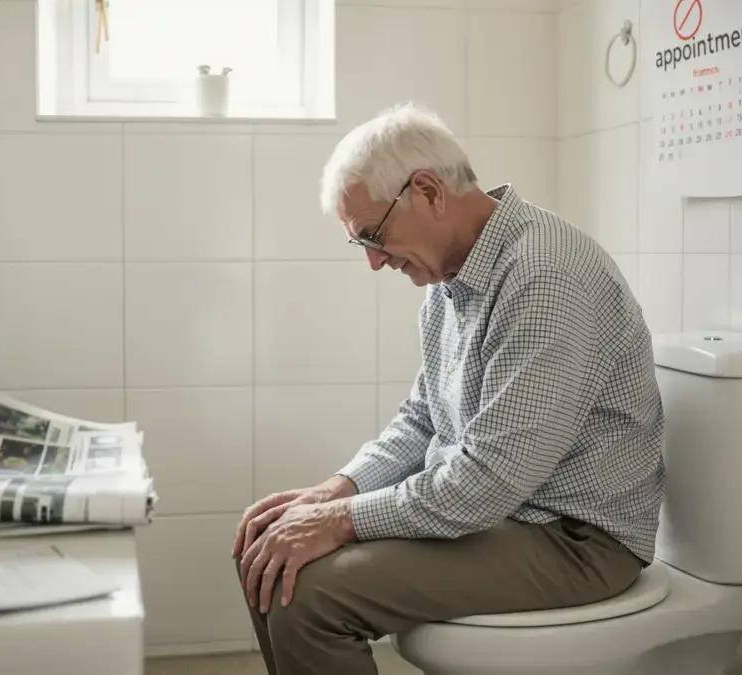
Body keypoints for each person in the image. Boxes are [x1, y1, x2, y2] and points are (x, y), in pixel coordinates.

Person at [232, 103, 666, 675]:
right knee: (269, 551)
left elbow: (483, 484)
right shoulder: (453, 280)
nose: (374, 261)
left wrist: (340, 522)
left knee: (308, 595)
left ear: (429, 191)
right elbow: (423, 420)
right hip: (513, 516)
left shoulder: (544, 277)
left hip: (577, 541)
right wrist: (334, 492)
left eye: (373, 236)